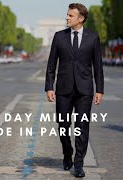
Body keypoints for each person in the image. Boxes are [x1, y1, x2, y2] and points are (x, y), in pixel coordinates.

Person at [45, 3, 104, 178]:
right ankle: (67, 152)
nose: (67, 18)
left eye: (71, 16)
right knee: (63, 126)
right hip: (63, 89)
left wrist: (99, 89)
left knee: (81, 127)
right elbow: (51, 64)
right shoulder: (59, 37)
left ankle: (78, 163)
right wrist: (49, 86)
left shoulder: (93, 37)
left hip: (84, 90)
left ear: (81, 18)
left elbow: (98, 66)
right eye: (67, 15)